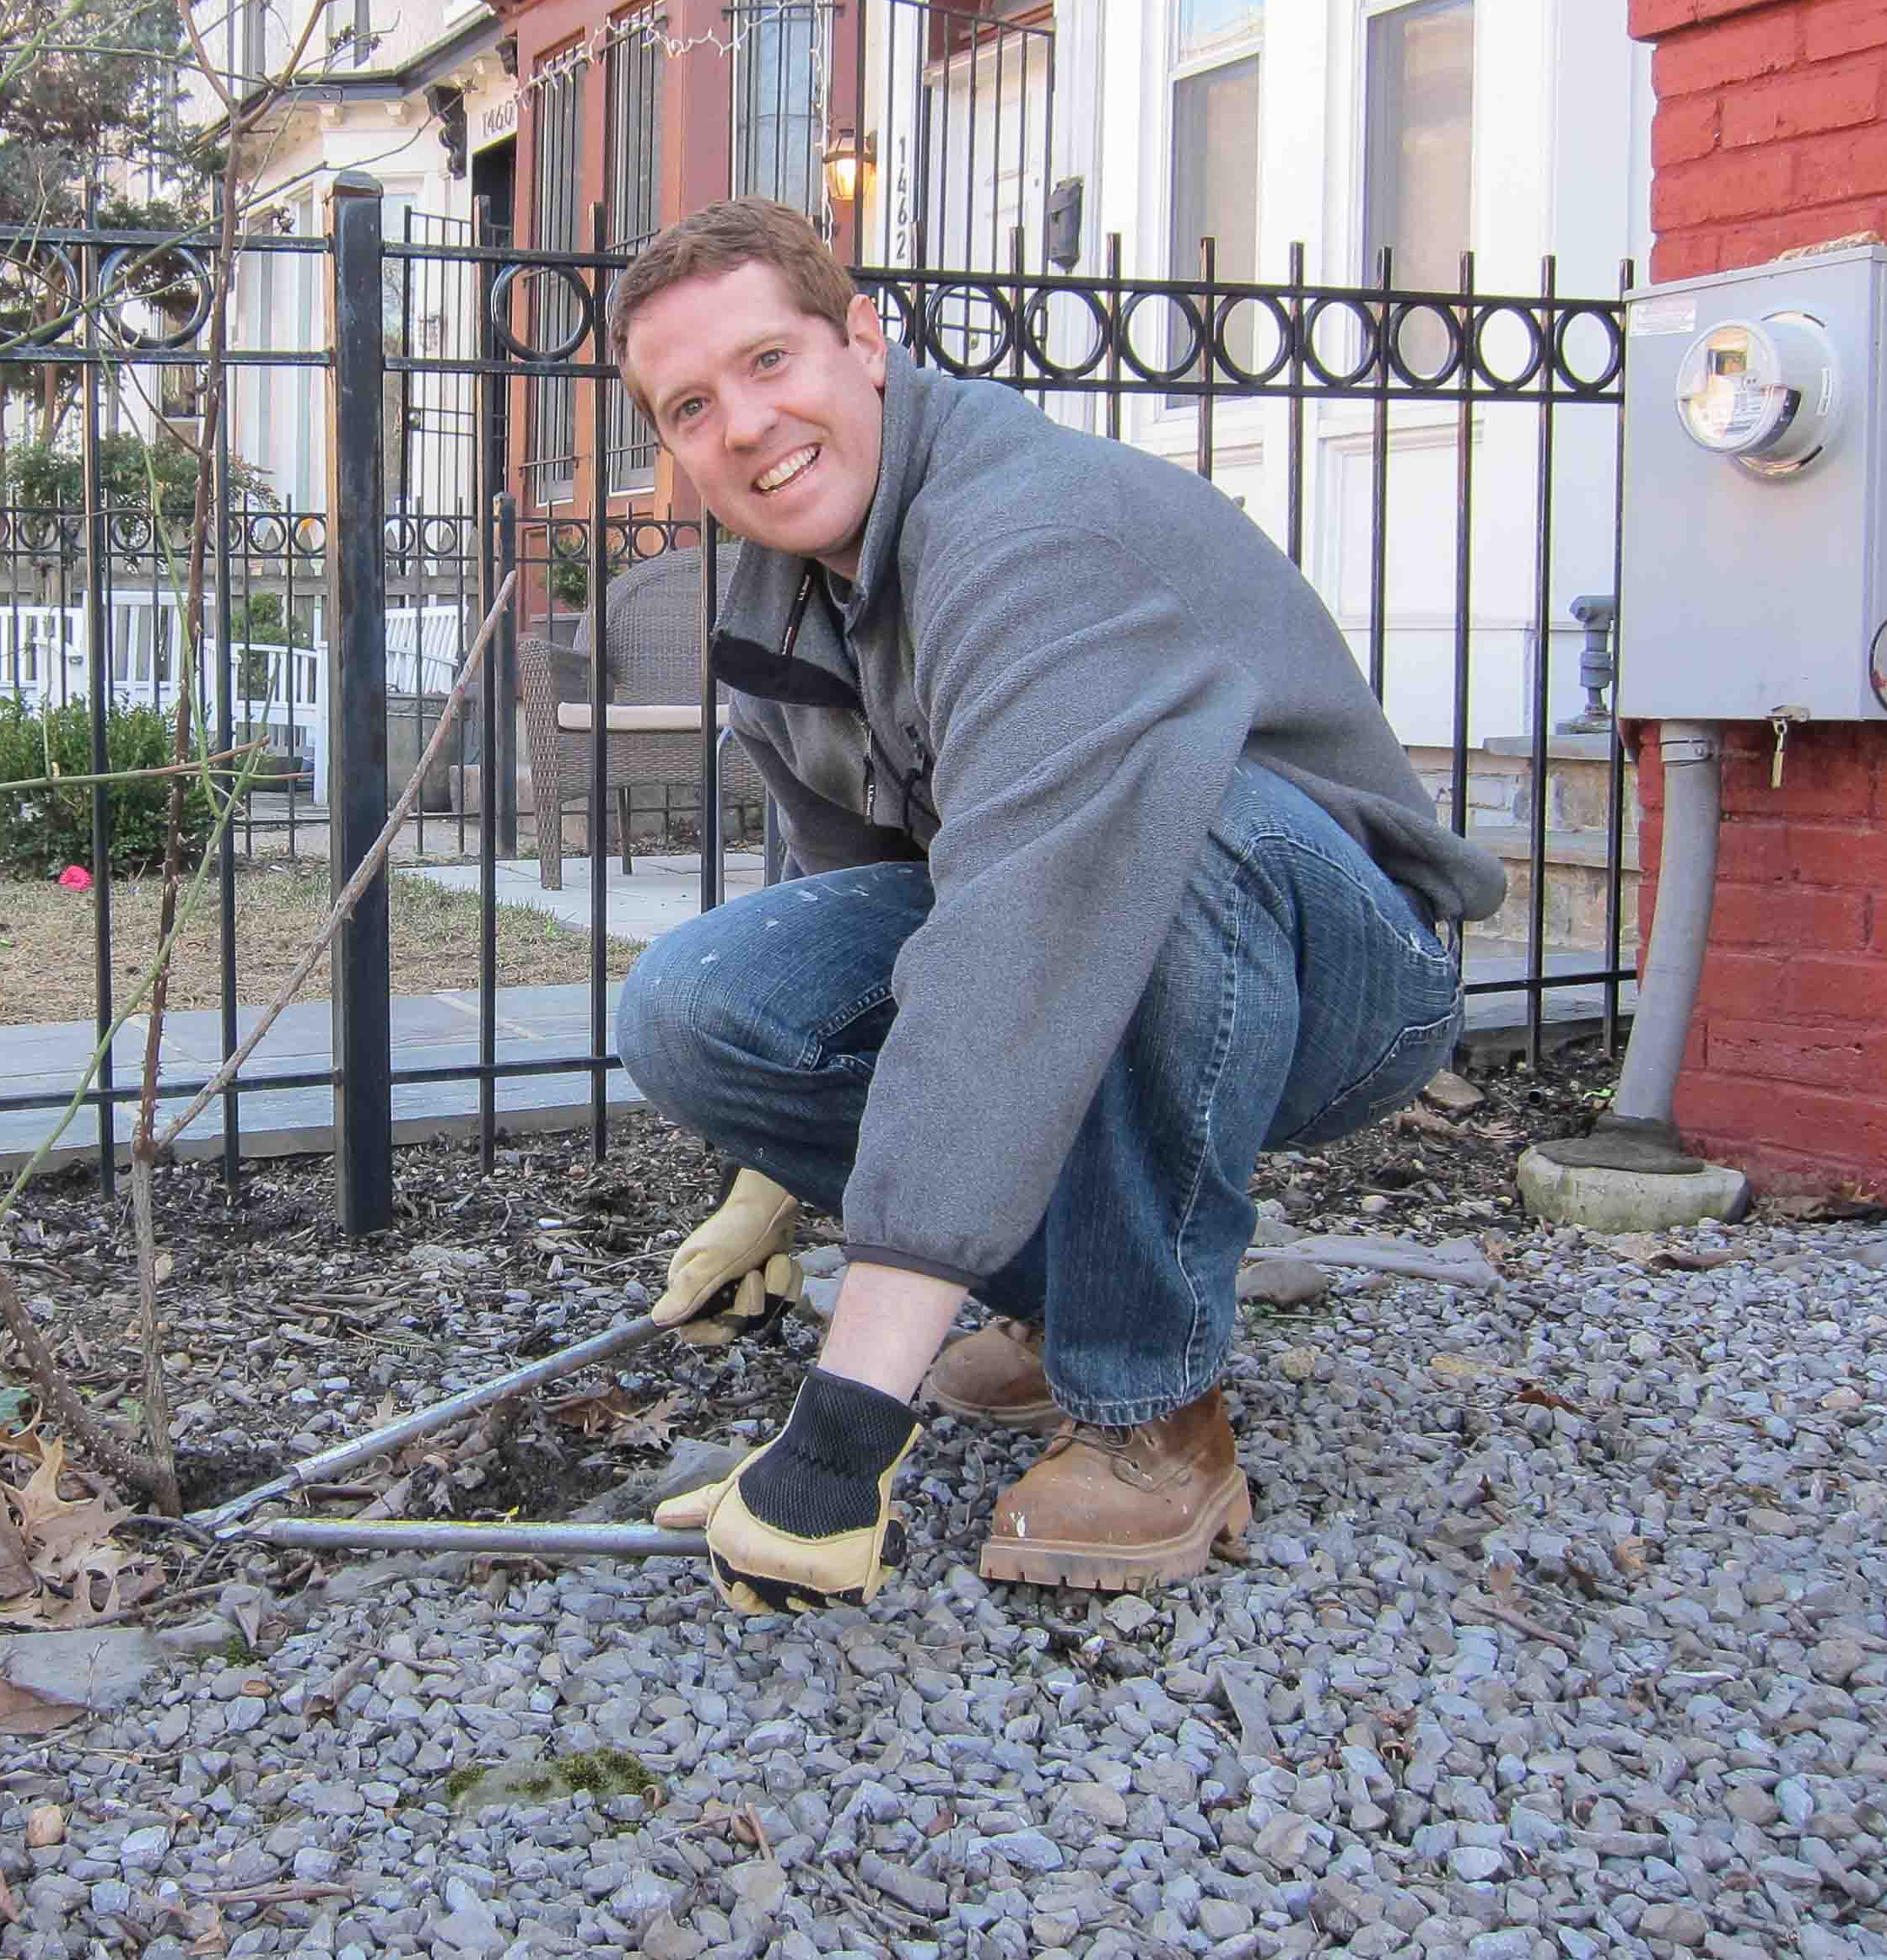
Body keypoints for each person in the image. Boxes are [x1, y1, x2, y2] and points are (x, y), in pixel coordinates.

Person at [607, 198, 1505, 1614]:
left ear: (865, 342)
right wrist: (764, 1192)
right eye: (691, 405)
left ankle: (1155, 1408)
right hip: (1088, 931)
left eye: (771, 361)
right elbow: (864, 907)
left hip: (1334, 966)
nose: (743, 425)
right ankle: (1080, 1297)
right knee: (700, 1007)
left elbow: (1021, 946)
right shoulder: (780, 605)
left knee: (1162, 821)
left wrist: (841, 1439)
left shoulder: (1034, 538)